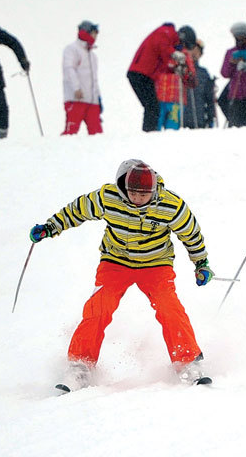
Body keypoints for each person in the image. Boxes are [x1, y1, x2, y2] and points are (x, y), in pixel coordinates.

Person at [29, 159, 214, 391]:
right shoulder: (108, 197)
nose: (137, 198)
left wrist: (201, 263)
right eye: (133, 193)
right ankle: (80, 367)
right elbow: (76, 211)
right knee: (98, 307)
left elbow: (191, 233)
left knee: (169, 307)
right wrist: (50, 227)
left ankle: (188, 363)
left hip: (155, 264)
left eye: (143, 194)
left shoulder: (170, 205)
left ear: (154, 190)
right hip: (115, 262)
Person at [127, 23, 196, 132]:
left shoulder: (169, 39)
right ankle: (149, 134)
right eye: (183, 44)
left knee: (153, 107)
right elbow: (163, 48)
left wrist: (177, 69)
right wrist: (174, 55)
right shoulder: (165, 32)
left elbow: (165, 64)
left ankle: (150, 132)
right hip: (140, 73)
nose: (182, 48)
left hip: (146, 75)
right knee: (152, 107)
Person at [61, 20, 102, 135]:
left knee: (97, 133)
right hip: (76, 98)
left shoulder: (92, 56)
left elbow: (94, 79)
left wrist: (98, 98)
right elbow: (69, 69)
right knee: (71, 131)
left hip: (92, 101)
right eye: (94, 32)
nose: (96, 36)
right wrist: (76, 88)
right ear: (86, 32)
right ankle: (61, 150)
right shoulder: (72, 49)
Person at [219, 22, 246, 127]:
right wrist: (231, 63)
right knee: (235, 124)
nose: (239, 39)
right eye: (237, 36)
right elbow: (224, 73)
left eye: (242, 36)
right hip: (235, 94)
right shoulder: (231, 52)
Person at [185, 39, 215, 129]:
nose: (194, 53)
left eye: (197, 51)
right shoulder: (179, 70)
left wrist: (210, 118)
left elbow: (209, 99)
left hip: (199, 119)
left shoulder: (203, 73)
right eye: (191, 50)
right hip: (179, 119)